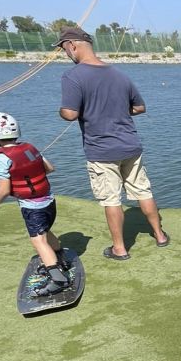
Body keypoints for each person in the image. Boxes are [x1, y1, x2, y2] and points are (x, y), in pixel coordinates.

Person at [56, 26, 168, 259]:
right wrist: (116, 110)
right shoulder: (119, 74)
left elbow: (69, 113)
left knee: (111, 199)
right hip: (130, 146)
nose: (64, 53)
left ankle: (119, 249)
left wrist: (63, 111)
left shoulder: (72, 76)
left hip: (102, 150)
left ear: (72, 45)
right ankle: (160, 235)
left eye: (64, 49)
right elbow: (139, 107)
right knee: (143, 191)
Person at [0, 112, 71, 296]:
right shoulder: (30, 147)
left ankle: (58, 279)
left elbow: (4, 189)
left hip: (33, 206)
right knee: (44, 231)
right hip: (49, 201)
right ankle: (60, 258)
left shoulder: (1, 158)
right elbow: (49, 168)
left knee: (38, 240)